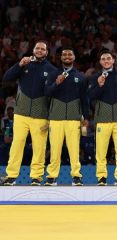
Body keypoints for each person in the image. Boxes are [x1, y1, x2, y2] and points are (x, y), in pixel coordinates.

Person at [3, 41, 57, 186]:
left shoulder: (52, 70)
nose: (39, 50)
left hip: (41, 115)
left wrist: (51, 117)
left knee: (39, 147)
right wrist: (19, 65)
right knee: (16, 145)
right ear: (33, 50)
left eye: (42, 49)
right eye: (37, 48)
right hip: (21, 113)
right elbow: (7, 77)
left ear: (46, 52)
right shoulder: (24, 63)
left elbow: (54, 95)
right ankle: (11, 176)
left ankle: (36, 177)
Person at [88, 50, 117, 186]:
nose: (106, 60)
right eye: (103, 59)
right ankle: (101, 177)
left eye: (108, 58)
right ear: (100, 62)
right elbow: (90, 96)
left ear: (113, 60)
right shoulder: (95, 77)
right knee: (101, 151)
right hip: (102, 120)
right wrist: (99, 85)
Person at [43, 48, 89, 186]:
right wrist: (56, 83)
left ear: (74, 57)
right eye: (64, 54)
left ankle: (76, 176)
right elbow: (46, 93)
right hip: (56, 118)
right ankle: (52, 176)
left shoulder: (80, 77)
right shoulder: (53, 74)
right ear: (60, 57)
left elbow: (84, 99)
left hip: (74, 118)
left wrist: (85, 117)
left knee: (74, 149)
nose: (67, 56)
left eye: (70, 54)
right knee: (55, 149)